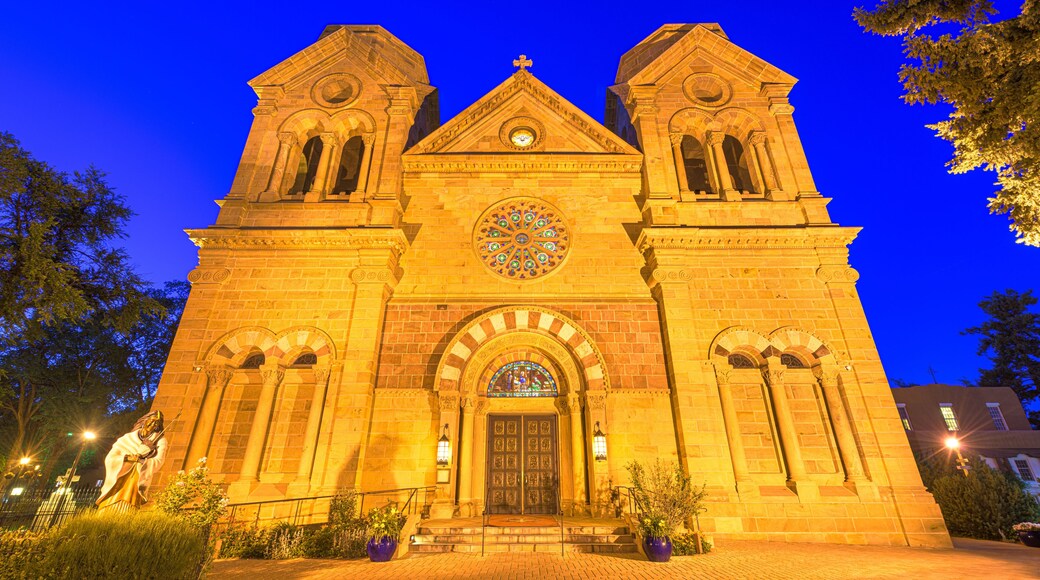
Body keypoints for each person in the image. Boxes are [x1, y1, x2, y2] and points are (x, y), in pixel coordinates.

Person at [96, 410, 168, 512]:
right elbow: (111, 457)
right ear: (145, 420)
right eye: (151, 421)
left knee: (131, 499)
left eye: (156, 423)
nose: (153, 425)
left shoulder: (160, 440)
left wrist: (141, 460)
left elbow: (159, 461)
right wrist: (127, 458)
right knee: (112, 499)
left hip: (137, 474)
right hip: (120, 474)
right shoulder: (127, 438)